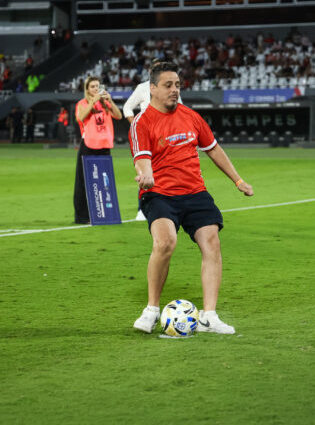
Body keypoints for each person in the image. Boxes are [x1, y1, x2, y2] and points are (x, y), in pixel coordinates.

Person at [129, 62, 253, 335]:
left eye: (177, 85)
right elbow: (142, 159)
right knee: (165, 242)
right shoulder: (142, 122)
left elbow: (214, 149)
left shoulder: (192, 117)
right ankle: (151, 311)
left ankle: (209, 316)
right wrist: (146, 175)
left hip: (195, 192)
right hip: (159, 193)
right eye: (168, 85)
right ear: (152, 89)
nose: (175, 90)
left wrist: (238, 180)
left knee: (212, 243)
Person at [123, 59, 183, 221]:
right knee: (145, 170)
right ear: (150, 72)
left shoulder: (171, 88)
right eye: (156, 68)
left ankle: (172, 204)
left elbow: (179, 109)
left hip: (168, 135)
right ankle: (142, 209)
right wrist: (136, 125)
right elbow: (127, 107)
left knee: (168, 169)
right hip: (147, 134)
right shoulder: (142, 88)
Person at [73, 75, 122, 224]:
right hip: (88, 145)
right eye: (92, 86)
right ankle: (82, 217)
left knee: (104, 182)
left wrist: (110, 101)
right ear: (87, 89)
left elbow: (118, 116)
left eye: (97, 86)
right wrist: (92, 102)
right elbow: (80, 118)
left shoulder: (105, 103)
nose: (96, 89)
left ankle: (105, 214)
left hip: (104, 145)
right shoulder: (82, 103)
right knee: (83, 182)